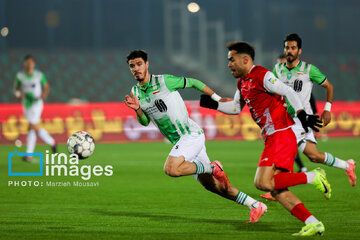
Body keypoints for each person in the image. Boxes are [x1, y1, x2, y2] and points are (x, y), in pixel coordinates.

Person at [200, 41, 330, 236]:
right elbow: (236, 108)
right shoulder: (242, 82)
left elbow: (288, 91)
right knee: (277, 189)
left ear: (245, 59)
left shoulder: (262, 75)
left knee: (262, 183)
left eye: (231, 60)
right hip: (273, 137)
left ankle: (313, 176)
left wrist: (302, 114)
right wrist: (212, 104)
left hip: (281, 133)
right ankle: (313, 222)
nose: (229, 64)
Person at [124, 49, 267, 223]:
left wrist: (216, 98)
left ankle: (212, 167)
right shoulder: (136, 92)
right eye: (132, 66)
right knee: (214, 186)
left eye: (139, 64)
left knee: (171, 169)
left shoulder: (163, 81)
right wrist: (138, 109)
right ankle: (255, 205)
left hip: (190, 135)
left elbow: (193, 82)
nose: (136, 69)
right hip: (181, 142)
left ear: (147, 64)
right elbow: (145, 121)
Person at [273, 33, 356, 186]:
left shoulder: (308, 69)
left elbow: (329, 86)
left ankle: (275, 189)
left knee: (280, 150)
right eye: (287, 48)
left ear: (299, 51)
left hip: (302, 120)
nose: (289, 51)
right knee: (314, 156)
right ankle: (347, 165)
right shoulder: (277, 69)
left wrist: (327, 109)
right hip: (286, 118)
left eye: (293, 48)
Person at [14, 55, 57, 162]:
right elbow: (16, 89)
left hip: (36, 104)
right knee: (32, 129)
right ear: (24, 63)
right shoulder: (20, 76)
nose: (29, 64)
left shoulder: (38, 75)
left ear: (34, 64)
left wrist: (44, 95)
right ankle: (50, 143)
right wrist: (19, 94)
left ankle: (49, 143)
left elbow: (46, 87)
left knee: (31, 126)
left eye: (31, 62)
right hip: (26, 105)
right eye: (27, 62)